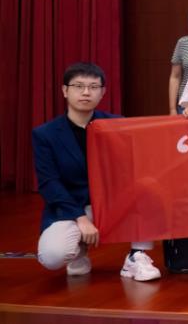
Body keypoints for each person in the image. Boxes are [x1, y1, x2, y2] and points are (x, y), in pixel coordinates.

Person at [34, 63, 161, 280]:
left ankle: (136, 256)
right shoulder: (45, 134)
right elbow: (49, 183)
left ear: (102, 92)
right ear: (65, 90)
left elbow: (135, 167)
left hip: (112, 204)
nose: (86, 92)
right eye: (78, 86)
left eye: (93, 87)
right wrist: (80, 218)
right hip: (72, 208)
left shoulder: (118, 125)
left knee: (148, 184)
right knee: (52, 256)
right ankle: (79, 252)